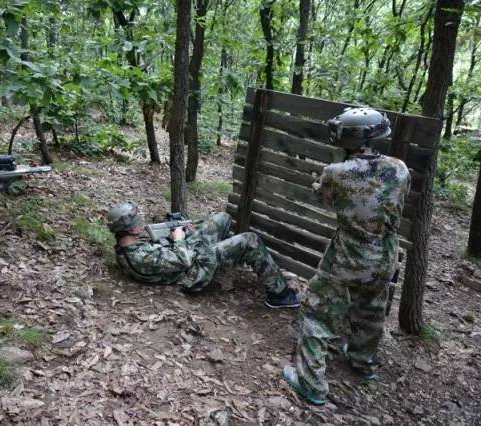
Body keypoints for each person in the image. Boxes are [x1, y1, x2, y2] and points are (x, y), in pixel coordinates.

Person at [282, 108, 411, 405]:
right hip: (386, 256)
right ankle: (363, 363)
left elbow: (327, 198)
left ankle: (310, 383)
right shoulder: (401, 168)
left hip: (350, 256)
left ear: (349, 139)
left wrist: (318, 183)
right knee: (372, 309)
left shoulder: (336, 173)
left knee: (317, 310)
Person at [106, 203, 301, 308]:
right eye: (136, 222)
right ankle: (280, 295)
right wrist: (180, 238)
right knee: (249, 240)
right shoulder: (140, 258)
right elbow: (183, 260)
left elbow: (162, 256)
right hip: (193, 272)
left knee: (222, 218)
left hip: (187, 256)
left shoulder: (127, 248)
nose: (140, 224)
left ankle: (227, 253)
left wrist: (183, 233)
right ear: (130, 228)